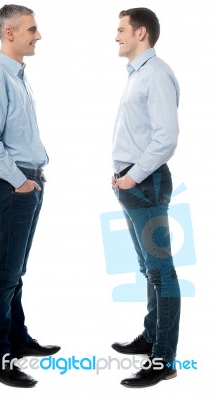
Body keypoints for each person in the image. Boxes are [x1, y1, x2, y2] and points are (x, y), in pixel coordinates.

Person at [0, 4, 60, 388]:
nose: (37, 35)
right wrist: (19, 181)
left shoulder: (18, 77)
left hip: (28, 181)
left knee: (15, 272)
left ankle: (17, 340)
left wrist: (32, 180)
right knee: (4, 273)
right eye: (32, 29)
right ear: (10, 33)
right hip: (13, 185)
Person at [111, 8, 181, 388]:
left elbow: (166, 138)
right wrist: (121, 175)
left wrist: (133, 175)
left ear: (141, 33)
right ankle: (151, 336)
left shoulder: (156, 74)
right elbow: (137, 133)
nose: (116, 36)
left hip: (146, 183)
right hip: (131, 182)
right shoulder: (139, 75)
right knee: (149, 270)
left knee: (162, 273)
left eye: (121, 30)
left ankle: (163, 360)